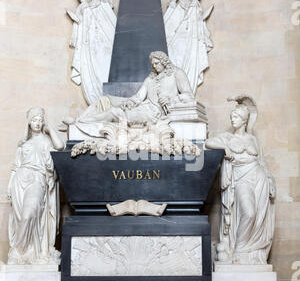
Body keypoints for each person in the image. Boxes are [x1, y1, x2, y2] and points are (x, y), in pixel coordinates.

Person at [205, 96, 276, 265]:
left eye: (236, 117)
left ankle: (251, 254)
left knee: (259, 215)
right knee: (249, 212)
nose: (232, 119)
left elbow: (262, 161)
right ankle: (239, 250)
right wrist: (225, 147)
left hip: (258, 177)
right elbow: (208, 142)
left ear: (244, 121)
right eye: (232, 116)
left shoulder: (253, 139)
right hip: (241, 177)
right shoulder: (227, 138)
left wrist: (270, 180)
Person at [65, 51, 195, 132]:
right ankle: (81, 121)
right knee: (107, 103)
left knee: (114, 113)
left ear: (164, 61)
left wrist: (172, 99)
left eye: (157, 63)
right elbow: (138, 97)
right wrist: (130, 103)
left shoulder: (177, 73)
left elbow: (189, 95)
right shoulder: (150, 79)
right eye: (153, 64)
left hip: (155, 114)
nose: (154, 66)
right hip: (143, 108)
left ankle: (80, 123)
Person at [7, 107, 64, 265]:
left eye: (40, 120)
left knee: (29, 214)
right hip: (20, 180)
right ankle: (21, 255)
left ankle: (20, 250)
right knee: (20, 218)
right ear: (29, 123)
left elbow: (60, 146)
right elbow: (15, 167)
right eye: (34, 120)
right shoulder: (23, 143)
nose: (37, 123)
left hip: (37, 179)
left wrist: (50, 127)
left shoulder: (46, 141)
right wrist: (10, 186)